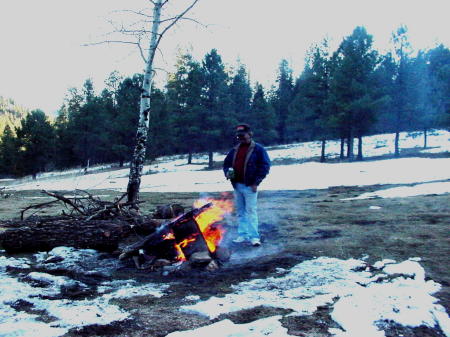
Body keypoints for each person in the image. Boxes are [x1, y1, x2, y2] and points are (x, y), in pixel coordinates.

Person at [223, 123, 271, 246]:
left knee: (251, 211)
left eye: (243, 135)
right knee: (240, 211)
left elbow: (265, 166)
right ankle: (242, 235)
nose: (241, 138)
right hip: (237, 185)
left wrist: (256, 182)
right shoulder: (235, 149)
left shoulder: (258, 149)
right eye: (239, 136)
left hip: (250, 186)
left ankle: (254, 237)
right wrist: (227, 173)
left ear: (250, 134)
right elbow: (226, 164)